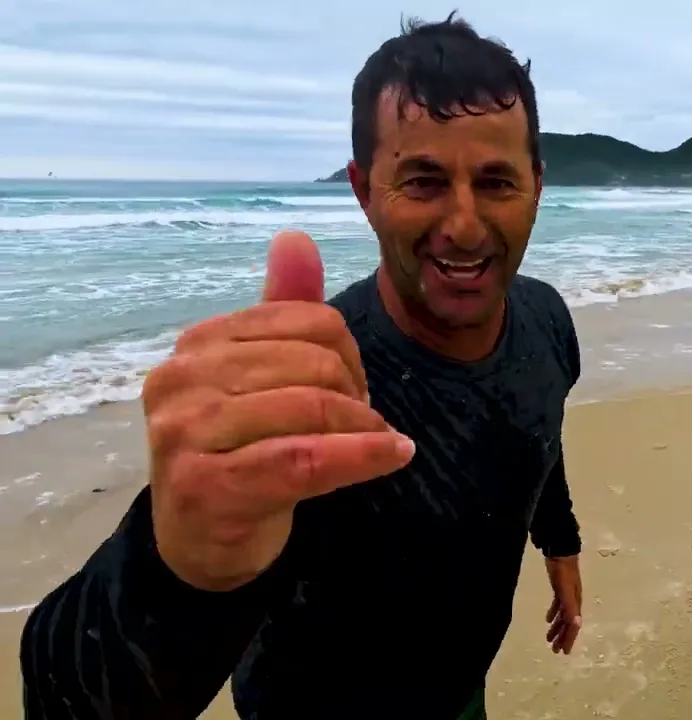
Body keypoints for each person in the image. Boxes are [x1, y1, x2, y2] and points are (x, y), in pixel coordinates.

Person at [20, 14, 585, 720]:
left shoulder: (546, 319)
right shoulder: (316, 391)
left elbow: (539, 429)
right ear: (363, 190)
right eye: (424, 182)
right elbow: (73, 699)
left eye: (497, 181)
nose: (465, 226)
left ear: (536, 184)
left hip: (460, 694)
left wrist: (560, 545)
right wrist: (180, 569)